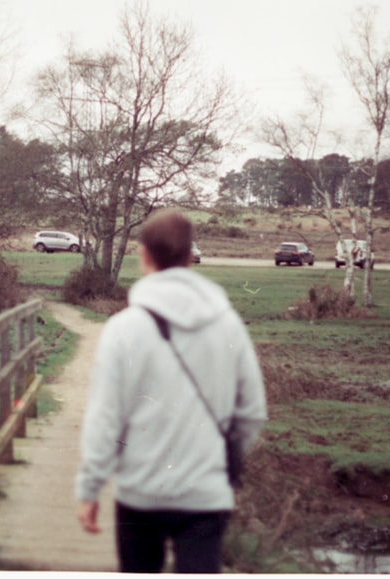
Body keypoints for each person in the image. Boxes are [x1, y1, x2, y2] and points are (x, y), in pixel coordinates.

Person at [74, 209, 267, 573]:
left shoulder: (123, 329)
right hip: (206, 496)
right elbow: (253, 411)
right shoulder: (228, 324)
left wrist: (90, 488)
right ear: (189, 256)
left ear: (143, 254)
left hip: (139, 494)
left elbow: (105, 419)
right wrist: (221, 456)